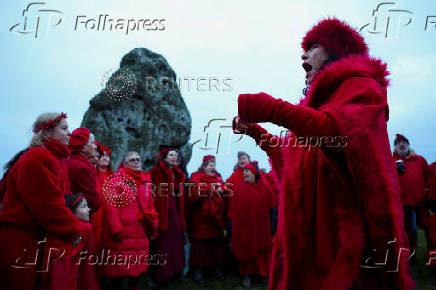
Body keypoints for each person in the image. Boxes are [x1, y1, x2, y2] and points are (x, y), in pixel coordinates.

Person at [235, 18, 414, 289]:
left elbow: (339, 135)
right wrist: (255, 131)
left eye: (314, 46)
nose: (303, 54)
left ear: (336, 51)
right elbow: (291, 163)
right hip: (306, 242)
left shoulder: (362, 87)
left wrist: (272, 109)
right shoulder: (312, 110)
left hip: (340, 245)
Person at [0, 112, 85, 290]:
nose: (70, 133)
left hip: (37, 243)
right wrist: (77, 231)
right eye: (64, 128)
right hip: (23, 246)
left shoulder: (54, 159)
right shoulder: (38, 158)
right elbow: (49, 208)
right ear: (46, 133)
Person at [100, 151, 158, 290]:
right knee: (118, 270)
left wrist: (153, 224)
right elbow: (111, 206)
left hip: (141, 231)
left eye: (138, 159)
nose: (137, 162)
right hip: (123, 233)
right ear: (125, 164)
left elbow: (151, 206)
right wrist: (117, 229)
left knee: (136, 269)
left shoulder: (146, 182)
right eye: (132, 160)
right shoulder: (117, 180)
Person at [228, 161, 277, 287]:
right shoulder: (239, 188)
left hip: (261, 227)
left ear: (255, 173)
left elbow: (273, 207)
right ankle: (246, 275)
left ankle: (263, 274)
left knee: (262, 251)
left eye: (248, 171)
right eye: (244, 171)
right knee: (246, 250)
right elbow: (233, 209)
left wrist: (272, 225)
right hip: (244, 228)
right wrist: (232, 225)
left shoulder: (265, 188)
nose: (245, 173)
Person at [186, 155, 230, 283]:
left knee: (216, 244)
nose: (212, 166)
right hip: (201, 218)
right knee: (201, 245)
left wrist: (223, 191)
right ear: (203, 167)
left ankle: (217, 269)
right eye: (209, 164)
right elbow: (193, 194)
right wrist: (210, 189)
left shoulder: (218, 178)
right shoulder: (196, 177)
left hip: (215, 218)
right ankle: (198, 271)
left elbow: (223, 192)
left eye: (213, 164)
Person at [149, 147, 187, 286]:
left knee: (176, 243)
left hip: (174, 211)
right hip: (162, 212)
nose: (174, 157)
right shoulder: (156, 171)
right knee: (161, 245)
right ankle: (159, 276)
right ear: (164, 157)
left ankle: (176, 272)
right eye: (171, 155)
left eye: (176, 155)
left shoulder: (177, 173)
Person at [393, 134, 430, 258]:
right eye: (398, 143)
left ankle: (431, 253)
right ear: (395, 146)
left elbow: (429, 178)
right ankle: (411, 254)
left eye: (404, 142)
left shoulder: (420, 160)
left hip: (421, 201)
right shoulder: (391, 161)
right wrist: (394, 170)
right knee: (409, 230)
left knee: (428, 227)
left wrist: (428, 194)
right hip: (403, 203)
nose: (402, 144)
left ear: (408, 145)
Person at [47, 193, 92, 290]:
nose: (89, 209)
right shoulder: (62, 248)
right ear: (72, 212)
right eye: (84, 206)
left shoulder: (82, 233)